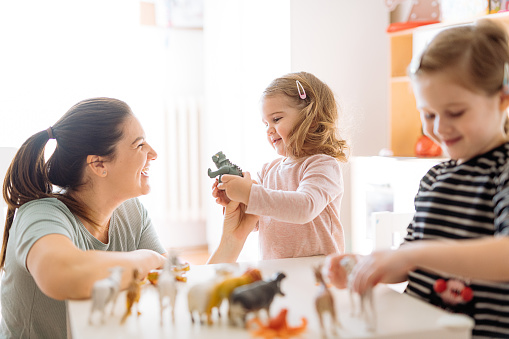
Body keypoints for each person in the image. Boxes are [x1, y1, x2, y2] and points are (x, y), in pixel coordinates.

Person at [326, 19, 509, 338]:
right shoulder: (435, 177)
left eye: (455, 112)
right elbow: (409, 265)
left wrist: (412, 254)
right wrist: (369, 266)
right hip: (420, 329)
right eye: (428, 114)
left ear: (502, 99)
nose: (439, 128)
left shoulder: (503, 171)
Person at [0, 97, 167, 338]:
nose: (153, 153)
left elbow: (173, 282)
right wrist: (148, 259)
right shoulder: (40, 214)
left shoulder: (132, 211)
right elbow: (61, 273)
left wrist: (231, 240)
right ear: (99, 164)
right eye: (139, 145)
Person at [208, 72, 348, 263]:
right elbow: (258, 220)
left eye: (276, 119)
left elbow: (304, 208)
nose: (269, 129)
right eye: (265, 123)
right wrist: (238, 203)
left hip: (317, 273)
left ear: (312, 120)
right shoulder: (267, 171)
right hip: (274, 271)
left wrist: (249, 193)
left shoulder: (323, 165)